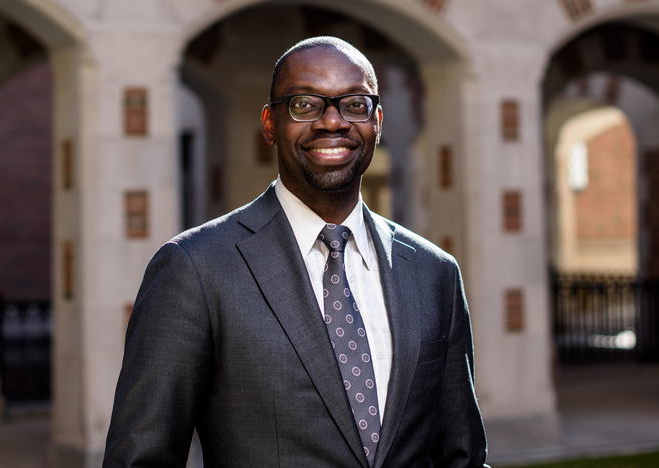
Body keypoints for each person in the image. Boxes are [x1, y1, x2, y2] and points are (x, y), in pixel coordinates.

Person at [103, 36, 488, 468]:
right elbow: (140, 458)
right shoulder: (195, 268)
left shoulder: (434, 272)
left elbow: (463, 457)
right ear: (270, 123)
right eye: (305, 104)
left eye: (354, 104)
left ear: (377, 121)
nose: (332, 121)